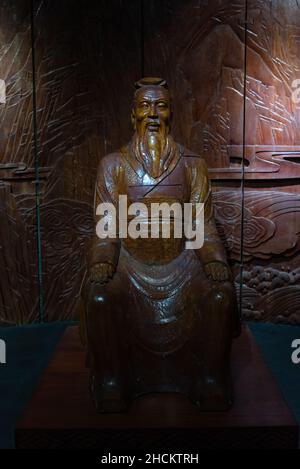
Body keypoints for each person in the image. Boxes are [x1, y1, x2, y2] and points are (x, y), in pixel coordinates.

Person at [81, 77, 239, 412]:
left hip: (181, 263)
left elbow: (202, 224)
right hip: (131, 264)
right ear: (133, 114)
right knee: (99, 296)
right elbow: (106, 227)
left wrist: (213, 258)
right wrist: (103, 259)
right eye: (145, 105)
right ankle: (113, 381)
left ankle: (208, 380)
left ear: (171, 114)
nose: (153, 113)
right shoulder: (113, 165)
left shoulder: (192, 164)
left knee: (220, 295)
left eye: (161, 105)